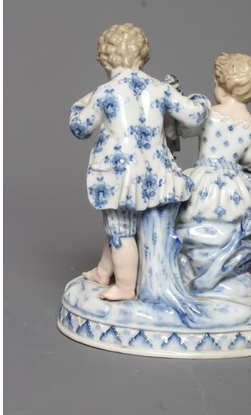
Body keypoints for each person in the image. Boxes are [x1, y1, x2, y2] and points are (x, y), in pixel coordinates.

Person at [69, 23, 210, 301]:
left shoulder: (105, 92)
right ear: (143, 57)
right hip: (154, 171)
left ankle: (125, 287)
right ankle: (102, 271)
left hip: (118, 173)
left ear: (105, 60)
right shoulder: (160, 88)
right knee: (117, 224)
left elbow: (80, 128)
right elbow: (194, 116)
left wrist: (79, 105)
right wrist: (202, 101)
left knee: (120, 229)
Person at [176, 53, 251, 291]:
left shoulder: (209, 113)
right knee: (230, 226)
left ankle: (191, 269)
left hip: (201, 180)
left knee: (187, 218)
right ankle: (218, 271)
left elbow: (185, 129)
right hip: (233, 189)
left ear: (223, 87)